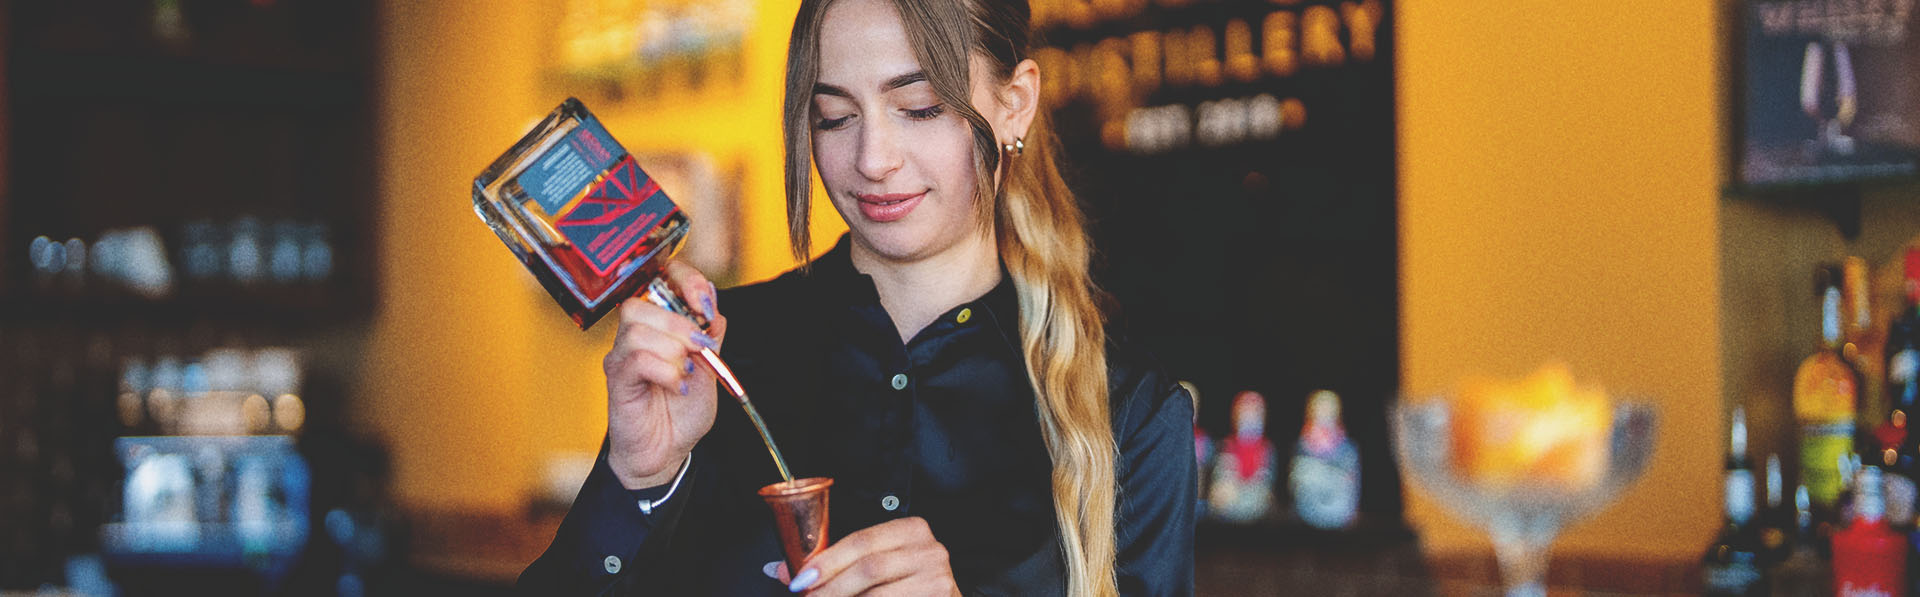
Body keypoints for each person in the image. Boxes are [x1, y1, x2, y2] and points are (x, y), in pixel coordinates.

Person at [518, 0, 1195, 594]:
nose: (873, 158)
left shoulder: (1130, 410)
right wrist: (637, 480)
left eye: (920, 107)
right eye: (835, 116)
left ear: (1014, 102)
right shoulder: (721, 355)